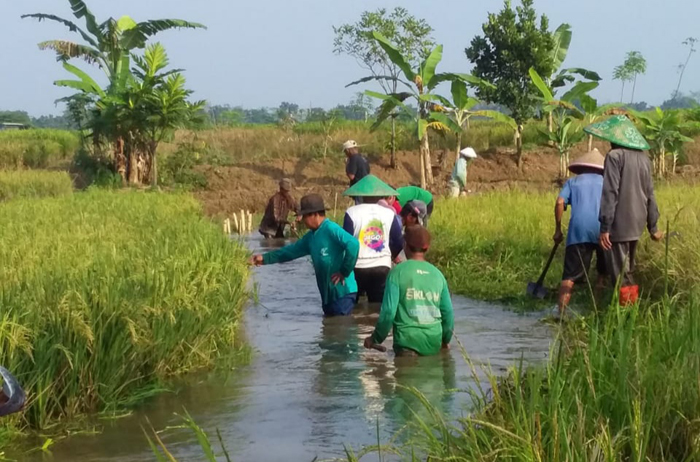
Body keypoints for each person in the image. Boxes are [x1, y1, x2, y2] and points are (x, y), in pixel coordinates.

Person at [583, 115, 664, 306]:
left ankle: (626, 316)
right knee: (628, 269)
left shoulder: (614, 156)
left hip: (620, 224)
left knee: (621, 275)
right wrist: (653, 227)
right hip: (637, 224)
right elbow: (650, 194)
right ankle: (627, 312)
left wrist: (605, 227)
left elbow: (611, 191)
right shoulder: (644, 159)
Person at [251, 194, 360, 316]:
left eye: (304, 217)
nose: (302, 220)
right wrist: (264, 258)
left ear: (315, 214)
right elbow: (290, 252)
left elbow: (353, 244)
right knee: (330, 330)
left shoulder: (331, 229)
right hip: (327, 296)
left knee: (340, 328)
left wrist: (344, 272)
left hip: (342, 292)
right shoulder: (311, 237)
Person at [363, 226, 454, 357]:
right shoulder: (438, 275)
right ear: (427, 248)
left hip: (407, 344)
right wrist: (445, 340)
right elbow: (448, 314)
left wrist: (375, 339)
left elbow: (388, 313)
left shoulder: (397, 273)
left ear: (405, 245)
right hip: (434, 342)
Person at [553, 149, 607, 318]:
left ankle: (561, 313)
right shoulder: (608, 182)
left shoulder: (573, 182)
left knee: (569, 276)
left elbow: (560, 202)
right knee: (602, 273)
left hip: (578, 231)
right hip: (603, 230)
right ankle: (596, 310)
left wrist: (558, 229)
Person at [342, 175, 404, 304]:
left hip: (357, 266)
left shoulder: (351, 212)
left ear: (361, 195)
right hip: (382, 266)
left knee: (354, 304)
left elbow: (346, 242)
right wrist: (390, 256)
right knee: (377, 305)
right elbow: (398, 241)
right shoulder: (389, 213)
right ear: (380, 195)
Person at [343, 140, 370, 205]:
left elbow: (351, 176)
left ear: (348, 150)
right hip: (367, 188)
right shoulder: (363, 158)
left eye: (345, 151)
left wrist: (347, 164)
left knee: (359, 210)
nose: (345, 153)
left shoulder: (353, 158)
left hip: (359, 189)